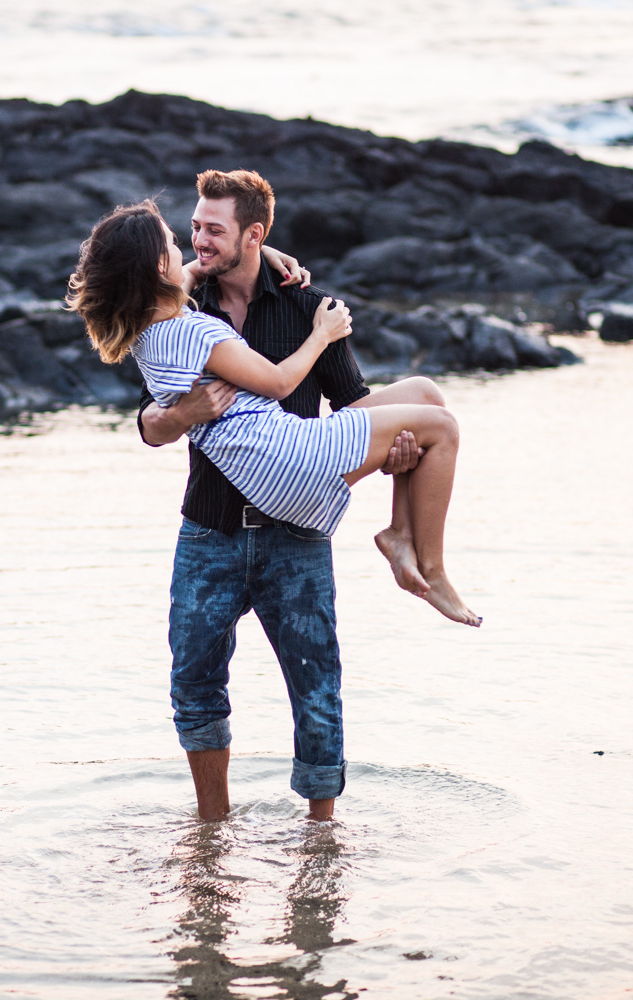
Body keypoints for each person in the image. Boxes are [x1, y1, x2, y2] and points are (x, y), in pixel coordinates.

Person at [66, 173, 479, 821]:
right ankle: (212, 828)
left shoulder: (296, 302)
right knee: (197, 681)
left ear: (253, 237)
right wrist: (184, 415)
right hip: (212, 529)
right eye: (191, 231)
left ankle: (321, 841)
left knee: (318, 686)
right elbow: (151, 422)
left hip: (293, 531)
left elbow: (352, 404)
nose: (198, 241)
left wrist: (396, 454)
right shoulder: (188, 308)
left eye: (212, 231)